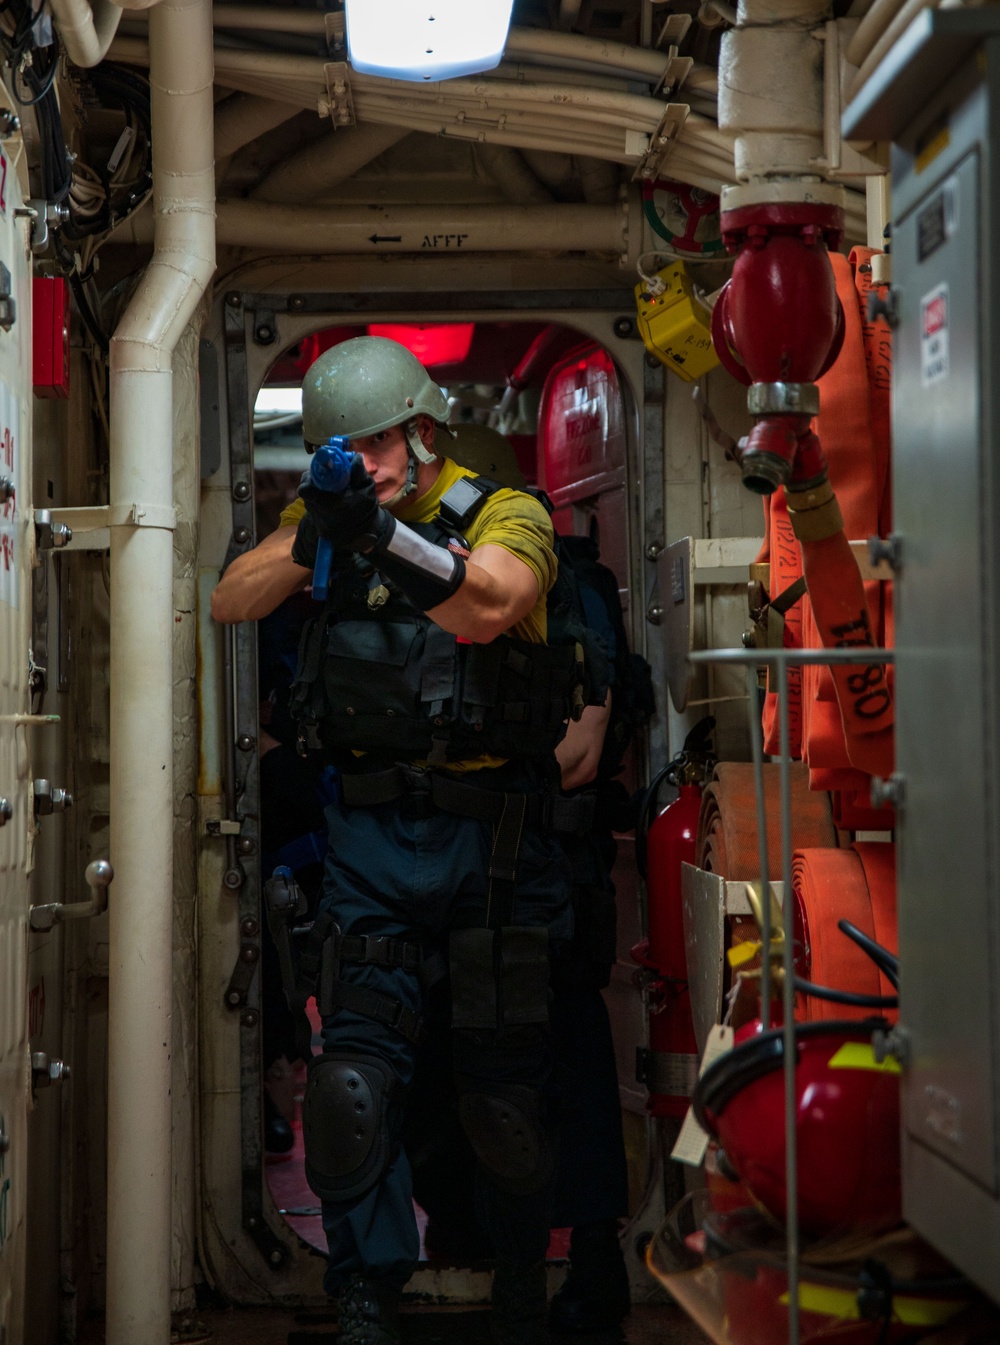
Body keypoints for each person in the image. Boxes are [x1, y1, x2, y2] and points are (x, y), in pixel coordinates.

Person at [212, 336, 600, 1345]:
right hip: (372, 842)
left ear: (422, 430)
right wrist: (315, 536)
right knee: (349, 1089)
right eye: (340, 445)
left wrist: (378, 534)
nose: (363, 459)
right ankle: (364, 1290)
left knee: (504, 1095)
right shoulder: (327, 516)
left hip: (491, 847)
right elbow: (230, 598)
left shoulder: (502, 510)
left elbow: (493, 605)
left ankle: (520, 1278)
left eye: (376, 440)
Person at [441, 427, 641, 1335]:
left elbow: (577, 755)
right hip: (466, 875)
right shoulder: (443, 589)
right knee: (471, 1075)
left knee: (570, 1070)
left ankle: (594, 1266)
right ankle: (473, 1249)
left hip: (548, 870)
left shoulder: (575, 600)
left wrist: (460, 769)